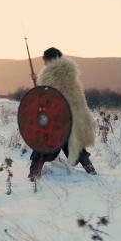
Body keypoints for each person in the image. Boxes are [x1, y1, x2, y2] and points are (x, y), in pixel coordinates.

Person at [28, 47, 97, 180]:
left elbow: (46, 95)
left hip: (57, 118)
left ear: (49, 59)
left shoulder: (51, 73)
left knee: (44, 143)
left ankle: (34, 174)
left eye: (45, 61)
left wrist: (37, 83)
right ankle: (91, 170)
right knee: (74, 143)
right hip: (71, 117)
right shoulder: (70, 73)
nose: (44, 64)